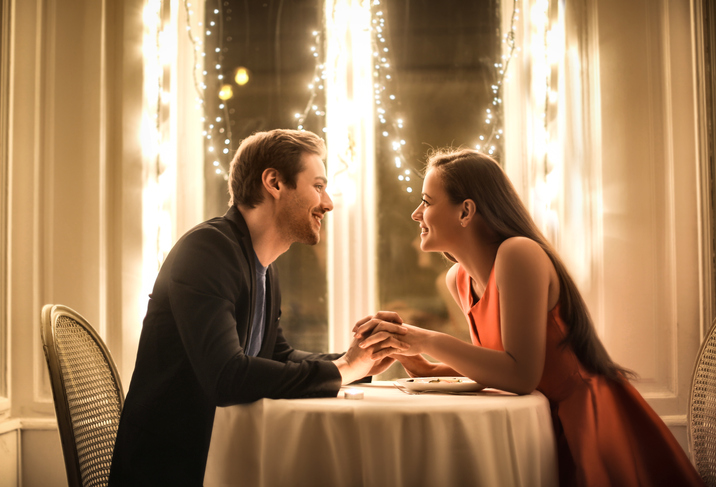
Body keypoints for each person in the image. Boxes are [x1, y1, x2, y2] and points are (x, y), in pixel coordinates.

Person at [355, 148, 705, 486]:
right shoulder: (459, 279)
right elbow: (497, 368)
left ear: (466, 212)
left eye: (427, 202)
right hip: (541, 421)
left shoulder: (518, 253)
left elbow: (521, 374)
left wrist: (427, 339)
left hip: (587, 425)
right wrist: (422, 364)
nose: (416, 213)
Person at [109, 129, 398, 486]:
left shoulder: (263, 267)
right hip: (170, 472)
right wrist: (343, 369)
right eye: (318, 186)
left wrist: (363, 359)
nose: (329, 203)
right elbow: (226, 377)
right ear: (274, 182)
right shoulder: (208, 250)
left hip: (219, 460)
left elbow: (278, 356)